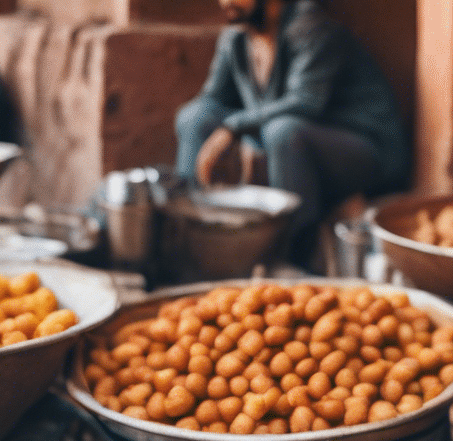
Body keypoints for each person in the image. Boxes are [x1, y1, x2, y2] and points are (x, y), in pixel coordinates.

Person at [175, 0, 409, 266]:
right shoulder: (236, 37)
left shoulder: (312, 28)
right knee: (194, 116)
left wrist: (233, 128)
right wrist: (219, 135)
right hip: (293, 142)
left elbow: (305, 102)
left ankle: (295, 255)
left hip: (364, 150)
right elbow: (212, 100)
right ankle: (188, 236)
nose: (226, 1)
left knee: (283, 131)